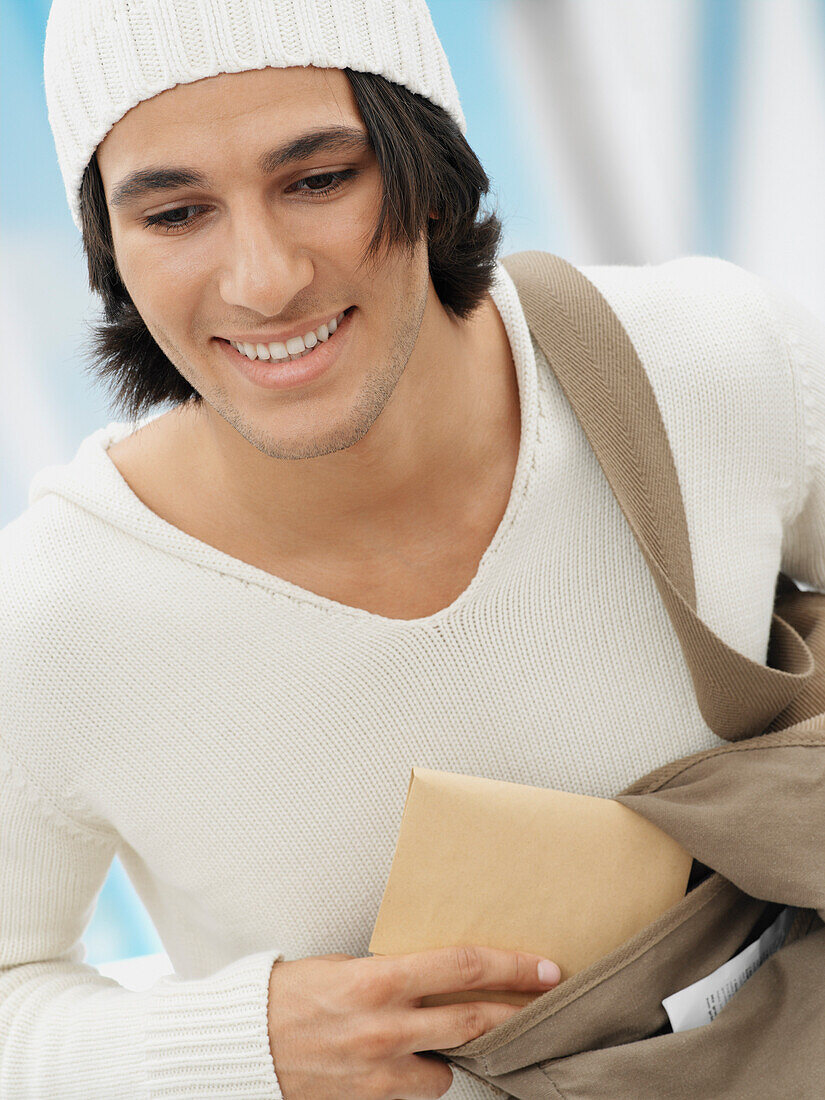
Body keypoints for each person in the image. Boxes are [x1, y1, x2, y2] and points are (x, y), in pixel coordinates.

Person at [2, 0, 825, 1096]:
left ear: (429, 169)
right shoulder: (58, 610)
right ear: (112, 246)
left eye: (318, 180)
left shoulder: (700, 363)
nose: (262, 278)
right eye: (177, 213)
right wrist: (247, 1046)